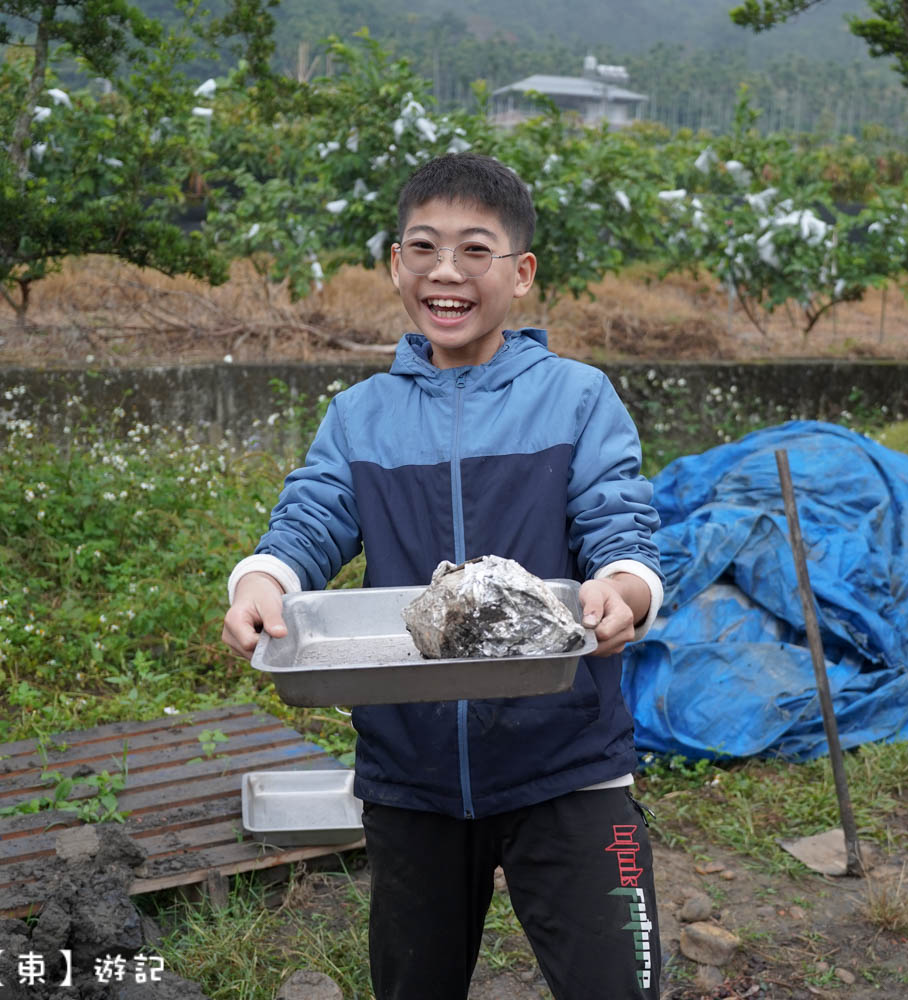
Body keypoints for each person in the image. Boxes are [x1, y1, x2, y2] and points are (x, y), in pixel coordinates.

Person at [221, 153, 666, 1000]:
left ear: (521, 273)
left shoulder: (577, 399)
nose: (446, 272)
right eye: (423, 248)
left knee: (620, 985)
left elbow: (622, 523)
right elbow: (311, 518)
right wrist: (264, 579)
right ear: (396, 264)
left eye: (475, 250)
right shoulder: (362, 415)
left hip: (568, 763)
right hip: (411, 775)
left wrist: (626, 587)